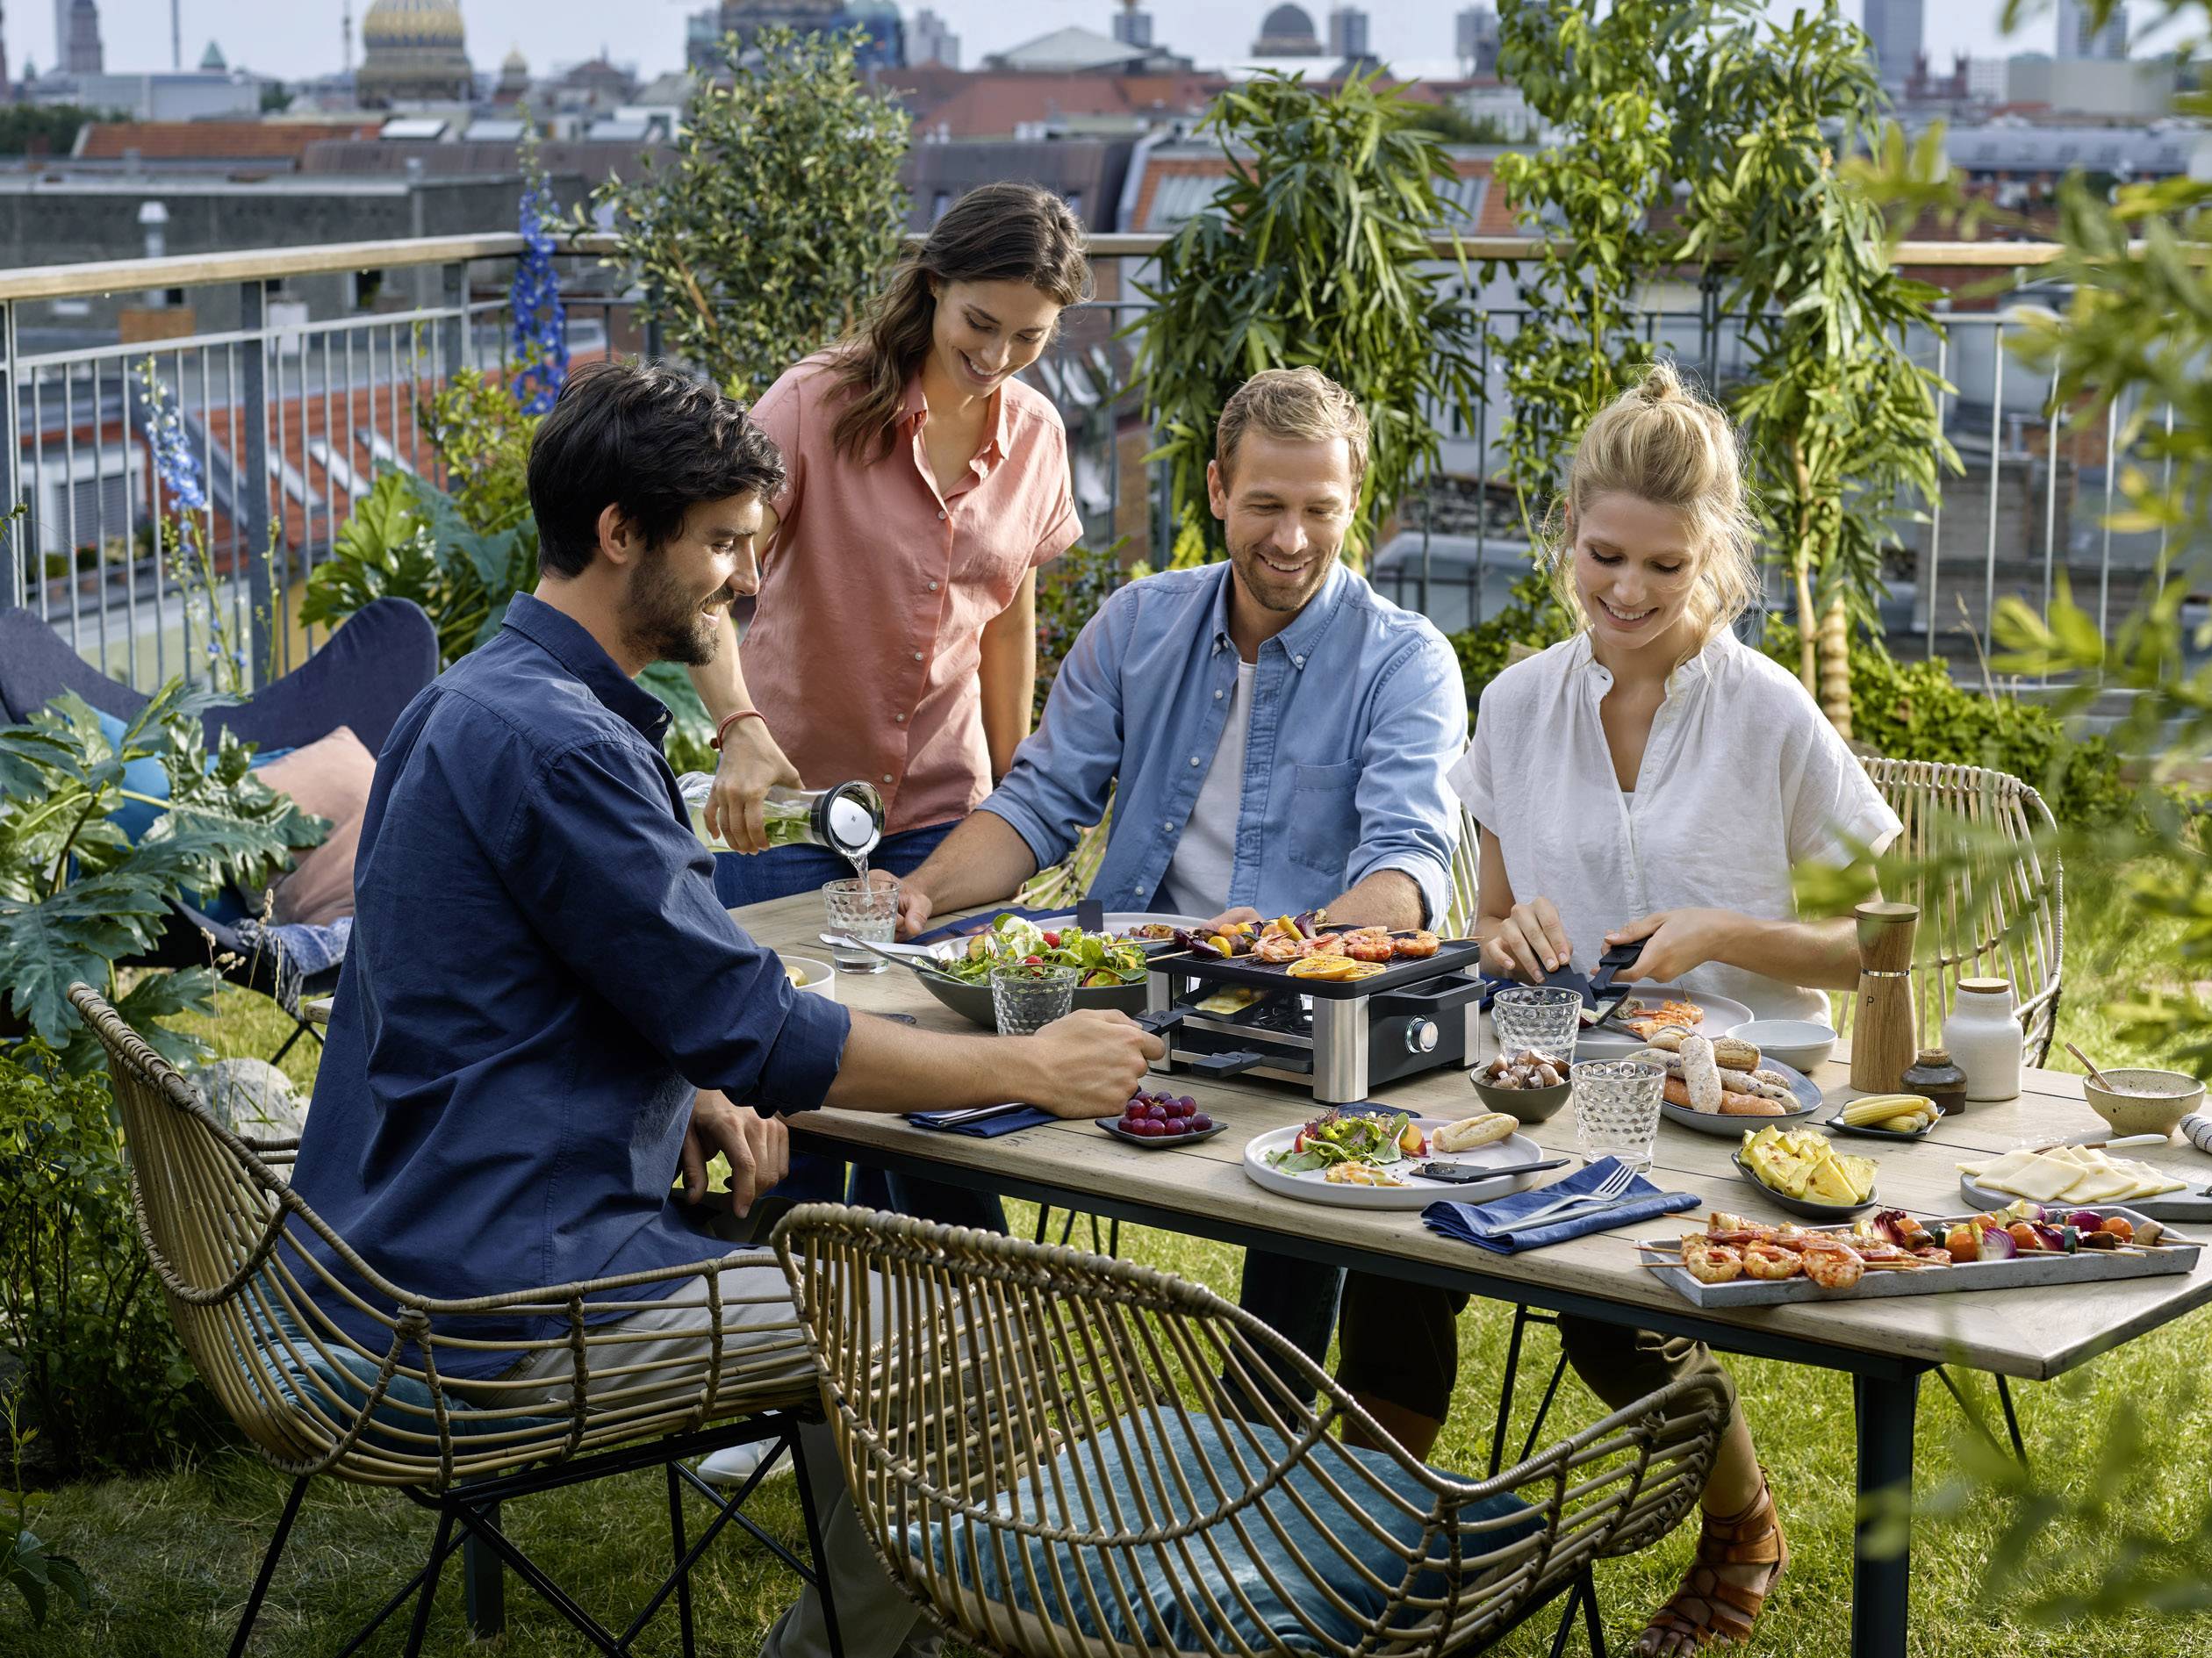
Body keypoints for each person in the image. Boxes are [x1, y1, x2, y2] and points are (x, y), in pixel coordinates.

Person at [291, 360, 1161, 1658]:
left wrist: (685, 1081)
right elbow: (766, 1032)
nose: (747, 583)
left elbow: (495, 984)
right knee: (951, 1336)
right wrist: (1027, 1064)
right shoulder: (566, 747)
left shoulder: (462, 702)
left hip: (384, 1248)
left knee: (867, 1303)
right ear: (620, 532)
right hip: (508, 1296)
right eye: (722, 546)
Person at [1335, 362, 1901, 1658]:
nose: (1632, 594)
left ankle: (1744, 1520)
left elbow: (1885, 937)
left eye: (1666, 566)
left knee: (1602, 1289)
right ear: (1567, 536)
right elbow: (1483, 920)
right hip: (1560, 1077)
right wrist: (1505, 929)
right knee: (1405, 1231)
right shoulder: (1519, 703)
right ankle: (1364, 1527)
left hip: (1746, 1100)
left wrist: (1720, 934)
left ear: (1715, 560)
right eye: (1605, 558)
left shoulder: (1768, 712)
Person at [893, 367, 1468, 1398]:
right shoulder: (1136, 624)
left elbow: (1407, 870)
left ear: (1353, 504)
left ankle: (1254, 1442)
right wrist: (925, 893)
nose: (1291, 537)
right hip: (1121, 986)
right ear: (1215, 489)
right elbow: (1037, 804)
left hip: (1288, 1013)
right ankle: (984, 1374)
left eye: (1319, 510)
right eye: (1266, 505)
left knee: (1317, 1157)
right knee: (909, 1110)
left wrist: (1269, 955)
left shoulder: (1404, 659)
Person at [686, 182, 1090, 902]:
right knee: (777, 1008)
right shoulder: (813, 403)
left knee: (940, 1014)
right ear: (936, 283)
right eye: (981, 322)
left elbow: (1005, 625)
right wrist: (738, 727)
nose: (999, 355)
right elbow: (707, 575)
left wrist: (1014, 801)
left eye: (1029, 336)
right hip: (790, 807)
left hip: (946, 820)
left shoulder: (1039, 436)